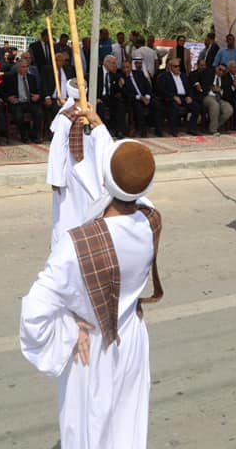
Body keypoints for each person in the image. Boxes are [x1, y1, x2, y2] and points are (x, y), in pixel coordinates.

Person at [21, 136, 163, 449]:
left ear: (104, 178)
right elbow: (130, 175)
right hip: (132, 339)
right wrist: (101, 132)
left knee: (89, 427)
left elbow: (35, 309)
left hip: (91, 348)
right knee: (126, 421)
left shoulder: (77, 243)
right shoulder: (152, 220)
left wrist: (69, 329)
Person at [45, 80, 113, 249]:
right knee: (79, 207)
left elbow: (58, 147)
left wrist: (56, 178)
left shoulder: (68, 115)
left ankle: (71, 243)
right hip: (86, 169)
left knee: (71, 209)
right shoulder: (89, 112)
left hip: (72, 170)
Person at [1, 59, 44, 143]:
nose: (25, 69)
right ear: (18, 68)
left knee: (39, 113)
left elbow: (38, 91)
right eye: (23, 67)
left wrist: (38, 96)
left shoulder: (32, 78)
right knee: (18, 115)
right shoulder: (11, 78)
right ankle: (24, 135)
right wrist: (8, 98)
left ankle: (34, 135)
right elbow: (0, 90)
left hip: (29, 102)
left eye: (27, 67)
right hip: (17, 103)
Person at [156, 58, 201, 136]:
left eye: (178, 66)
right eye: (175, 66)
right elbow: (161, 90)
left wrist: (189, 96)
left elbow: (189, 88)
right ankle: (173, 129)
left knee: (196, 106)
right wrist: (173, 96)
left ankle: (191, 128)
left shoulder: (183, 75)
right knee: (174, 107)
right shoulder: (164, 76)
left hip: (184, 97)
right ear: (170, 67)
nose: (178, 68)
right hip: (171, 98)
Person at [201, 62, 233, 135]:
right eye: (220, 69)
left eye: (223, 71)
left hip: (219, 98)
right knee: (215, 105)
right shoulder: (209, 74)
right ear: (216, 68)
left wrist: (221, 90)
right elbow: (204, 84)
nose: (221, 72)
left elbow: (228, 92)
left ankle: (214, 125)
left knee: (229, 109)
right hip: (208, 96)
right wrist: (212, 88)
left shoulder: (225, 78)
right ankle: (213, 130)